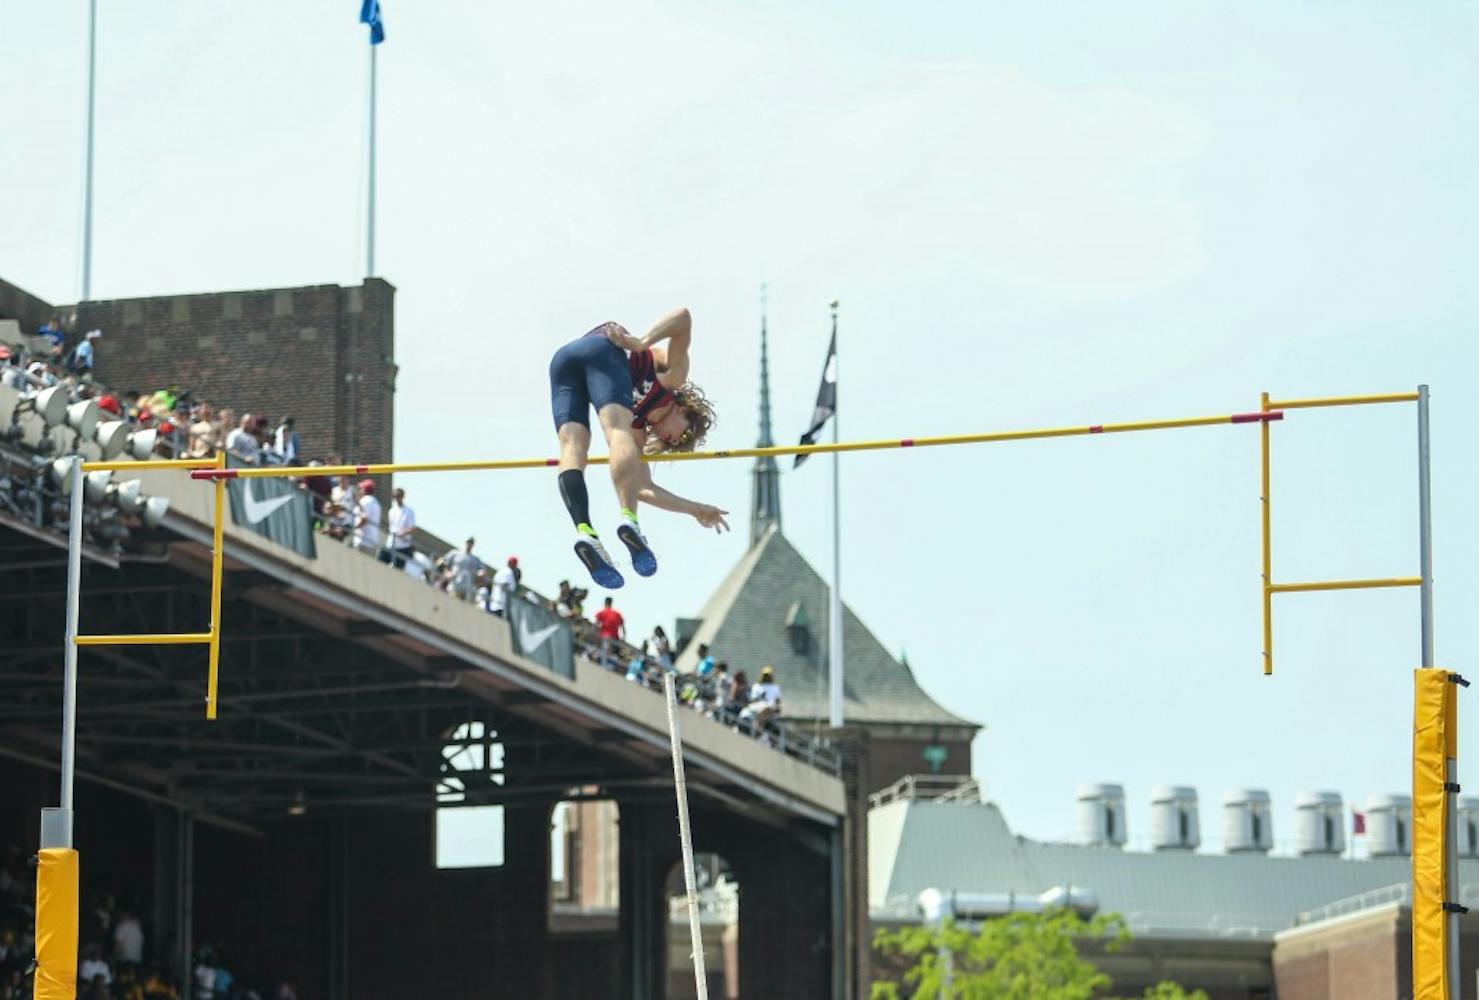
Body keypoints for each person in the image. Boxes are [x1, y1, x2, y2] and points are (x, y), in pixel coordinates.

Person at [547, 309, 729, 589]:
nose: (674, 441)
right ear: (684, 410)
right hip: (603, 348)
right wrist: (642, 342)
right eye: (684, 435)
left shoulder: (638, 428)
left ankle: (585, 532)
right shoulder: (671, 378)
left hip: (564, 362)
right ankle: (629, 520)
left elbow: (642, 488)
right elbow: (683, 318)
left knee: (572, 447)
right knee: (616, 432)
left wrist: (695, 509)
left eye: (676, 444)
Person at [382, 487, 416, 568]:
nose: (396, 498)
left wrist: (402, 533)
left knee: (398, 568)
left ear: (402, 497)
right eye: (394, 496)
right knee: (381, 561)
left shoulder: (409, 511)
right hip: (391, 543)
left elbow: (412, 528)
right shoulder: (391, 511)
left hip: (403, 545)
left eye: (398, 496)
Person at [352, 479, 381, 554]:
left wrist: (354, 528)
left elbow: (365, 518)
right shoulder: (376, 502)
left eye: (360, 489)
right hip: (371, 542)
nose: (359, 491)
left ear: (365, 490)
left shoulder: (365, 500)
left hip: (363, 541)